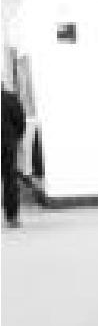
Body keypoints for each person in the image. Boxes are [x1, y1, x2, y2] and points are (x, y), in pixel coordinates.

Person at [1, 86, 25, 228]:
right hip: (7, 145)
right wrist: (14, 138)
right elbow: (20, 122)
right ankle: (12, 218)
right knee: (10, 179)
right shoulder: (11, 98)